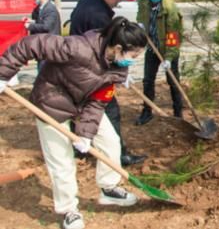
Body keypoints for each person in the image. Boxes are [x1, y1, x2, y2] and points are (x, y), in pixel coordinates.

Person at [0, 17, 147, 229]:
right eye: (134, 55)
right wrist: (3, 73)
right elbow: (30, 45)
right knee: (61, 161)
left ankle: (108, 188)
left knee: (111, 142)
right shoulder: (77, 48)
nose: (134, 60)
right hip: (51, 103)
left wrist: (86, 135)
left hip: (84, 104)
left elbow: (98, 103)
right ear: (118, 47)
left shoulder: (117, 69)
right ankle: (69, 209)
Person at [69, 0, 146, 166]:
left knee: (79, 109)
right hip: (92, 70)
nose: (118, 2)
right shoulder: (98, 15)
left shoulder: (87, 0)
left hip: (78, 69)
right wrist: (118, 70)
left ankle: (78, 149)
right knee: (110, 110)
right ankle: (119, 155)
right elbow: (107, 49)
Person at [135, 0, 183, 125]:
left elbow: (173, 35)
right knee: (148, 81)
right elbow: (140, 17)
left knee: (173, 82)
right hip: (152, 48)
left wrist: (169, 58)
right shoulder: (143, 3)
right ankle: (147, 112)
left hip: (168, 49)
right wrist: (141, 26)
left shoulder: (170, 8)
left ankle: (178, 113)